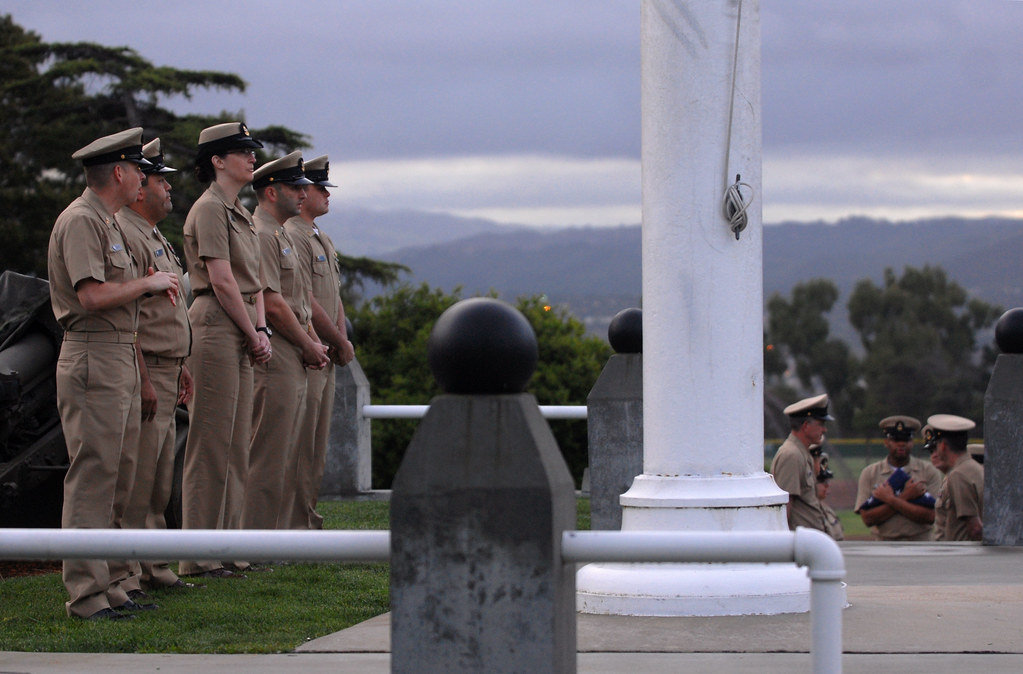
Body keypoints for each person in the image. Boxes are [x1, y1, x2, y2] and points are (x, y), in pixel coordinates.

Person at [47, 127, 179, 620]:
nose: (144, 180)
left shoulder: (107, 222)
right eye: (138, 171)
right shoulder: (83, 220)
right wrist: (148, 283)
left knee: (120, 477)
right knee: (94, 478)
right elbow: (91, 296)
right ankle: (85, 593)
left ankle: (111, 584)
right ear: (120, 173)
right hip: (93, 355)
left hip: (118, 353)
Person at [179, 122, 271, 579]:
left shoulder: (239, 211)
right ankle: (199, 553)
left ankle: (230, 548)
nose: (252, 158)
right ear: (217, 160)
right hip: (215, 323)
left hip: (240, 327)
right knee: (211, 443)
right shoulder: (211, 209)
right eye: (242, 151)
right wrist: (253, 333)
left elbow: (252, 283)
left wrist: (260, 330)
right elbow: (221, 280)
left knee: (236, 444)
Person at [115, 138, 197, 593]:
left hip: (168, 367)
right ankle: (130, 571)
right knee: (140, 475)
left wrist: (181, 363)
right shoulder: (126, 231)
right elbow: (131, 319)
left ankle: (153, 564)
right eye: (162, 181)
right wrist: (145, 376)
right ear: (140, 186)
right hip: (144, 367)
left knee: (159, 473)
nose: (169, 190)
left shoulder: (151, 234)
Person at [241, 152, 327, 544]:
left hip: (295, 351)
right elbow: (273, 303)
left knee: (286, 450)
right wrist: (309, 343)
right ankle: (257, 540)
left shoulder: (277, 235)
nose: (303, 192)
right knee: (267, 452)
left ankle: (271, 537)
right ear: (272, 191)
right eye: (295, 187)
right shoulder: (262, 234)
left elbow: (298, 300)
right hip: (280, 354)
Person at [282, 155, 355, 529]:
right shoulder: (293, 233)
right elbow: (305, 298)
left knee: (315, 443)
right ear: (302, 191)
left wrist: (340, 338)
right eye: (319, 188)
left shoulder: (319, 236)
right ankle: (293, 519)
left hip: (325, 350)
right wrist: (333, 340)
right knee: (300, 442)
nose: (326, 195)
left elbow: (333, 295)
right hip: (308, 352)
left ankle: (306, 513)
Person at [854, 416, 943, 541]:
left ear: (912, 442)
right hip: (884, 544)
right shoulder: (870, 473)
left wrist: (890, 499)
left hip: (921, 544)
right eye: (896, 440)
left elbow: (931, 516)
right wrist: (906, 496)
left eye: (906, 440)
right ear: (886, 442)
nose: (901, 444)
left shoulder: (928, 471)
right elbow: (868, 519)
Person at [769, 393, 832, 533]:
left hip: (808, 541)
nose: (824, 429)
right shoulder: (792, 455)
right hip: (800, 544)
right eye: (821, 424)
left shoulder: (802, 453)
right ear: (805, 426)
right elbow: (785, 507)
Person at [925, 414, 984, 541]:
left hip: (961, 556)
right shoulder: (975, 468)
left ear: (943, 446)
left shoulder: (959, 474)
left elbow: (975, 528)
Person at [814, 452, 844, 541]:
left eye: (827, 481)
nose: (827, 485)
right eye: (822, 481)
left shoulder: (826, 510)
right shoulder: (806, 512)